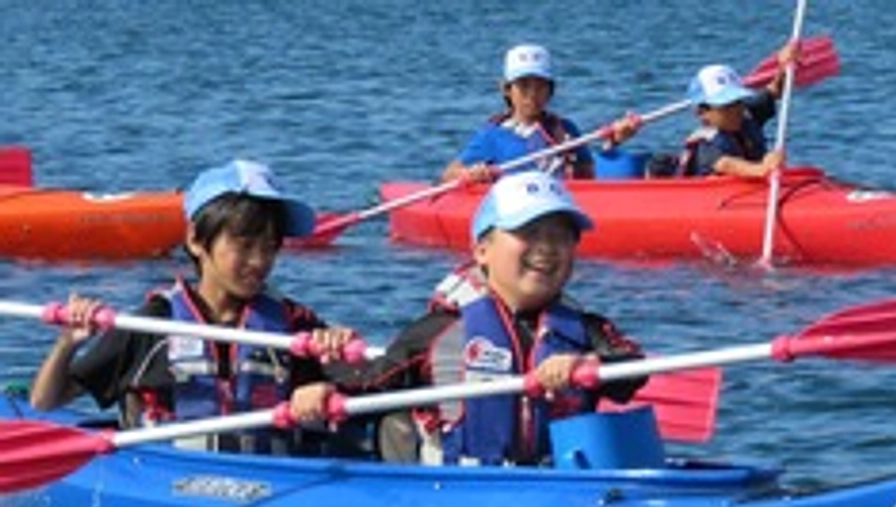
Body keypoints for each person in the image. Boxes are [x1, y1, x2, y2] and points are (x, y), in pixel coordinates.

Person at [290, 171, 646, 466]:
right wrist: (323, 387)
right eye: (530, 233)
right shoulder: (442, 331)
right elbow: (373, 382)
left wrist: (588, 362)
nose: (548, 248)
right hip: (462, 489)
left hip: (556, 486)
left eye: (561, 236)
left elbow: (632, 371)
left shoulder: (586, 330)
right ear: (482, 251)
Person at [30, 159, 361, 456]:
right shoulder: (153, 325)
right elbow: (46, 401)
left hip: (265, 476)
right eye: (244, 246)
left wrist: (328, 380)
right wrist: (68, 343)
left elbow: (363, 386)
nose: (259, 261)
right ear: (196, 241)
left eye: (270, 247)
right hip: (164, 476)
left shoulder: (293, 323)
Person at [441, 43, 639, 184]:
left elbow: (588, 176)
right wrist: (470, 174)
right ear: (506, 89)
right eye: (524, 86)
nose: (532, 95)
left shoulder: (566, 129)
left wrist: (613, 143)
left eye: (540, 87)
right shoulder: (492, 135)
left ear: (551, 89)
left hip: (558, 208)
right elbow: (449, 174)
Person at [672, 42, 799, 179]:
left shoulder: (746, 113)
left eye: (737, 101)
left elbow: (775, 90)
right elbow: (726, 164)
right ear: (702, 113)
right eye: (726, 105)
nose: (736, 110)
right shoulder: (706, 144)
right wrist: (762, 168)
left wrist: (784, 67)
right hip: (715, 195)